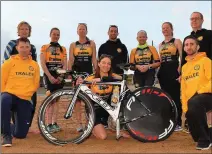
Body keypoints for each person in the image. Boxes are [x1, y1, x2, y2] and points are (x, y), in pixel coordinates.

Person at [76, 54, 130, 139]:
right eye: (104, 63)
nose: (106, 65)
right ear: (99, 64)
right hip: (94, 110)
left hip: (106, 109)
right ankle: (90, 125)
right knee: (103, 136)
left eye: (109, 63)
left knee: (118, 96)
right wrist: (79, 82)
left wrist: (102, 79)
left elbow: (121, 78)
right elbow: (80, 92)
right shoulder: (91, 78)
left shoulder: (112, 76)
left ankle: (115, 126)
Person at [1, 38, 40, 147]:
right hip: (10, 96)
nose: (24, 49)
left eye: (27, 47)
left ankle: (4, 125)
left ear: (30, 48)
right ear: (17, 48)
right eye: (21, 47)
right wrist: (6, 93)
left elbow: (36, 84)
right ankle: (6, 135)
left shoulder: (35, 65)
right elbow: (2, 81)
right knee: (4, 99)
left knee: (21, 134)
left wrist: (26, 93)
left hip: (25, 99)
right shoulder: (9, 62)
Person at [3, 21, 38, 133]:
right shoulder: (11, 44)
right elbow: (5, 61)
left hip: (28, 80)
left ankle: (26, 127)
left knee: (32, 104)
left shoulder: (32, 47)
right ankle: (9, 125)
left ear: (29, 32)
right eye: (22, 29)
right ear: (18, 31)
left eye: (26, 29)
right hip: (14, 83)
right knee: (10, 102)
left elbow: (34, 63)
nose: (24, 31)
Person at [181, 11, 212, 133]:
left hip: (206, 71)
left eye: (196, 18)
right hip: (192, 73)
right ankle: (195, 123)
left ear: (202, 20)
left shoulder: (209, 34)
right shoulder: (187, 38)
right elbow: (184, 59)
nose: (193, 21)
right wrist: (183, 74)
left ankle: (209, 129)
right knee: (191, 98)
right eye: (191, 19)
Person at [181, 35, 212, 150]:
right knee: (190, 110)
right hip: (193, 101)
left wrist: (199, 92)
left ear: (197, 47)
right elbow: (183, 90)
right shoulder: (184, 67)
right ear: (184, 48)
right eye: (186, 45)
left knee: (195, 102)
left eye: (192, 44)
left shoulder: (206, 61)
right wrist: (185, 109)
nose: (189, 47)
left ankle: (205, 140)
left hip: (208, 95)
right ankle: (208, 135)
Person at [68, 23, 97, 131]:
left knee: (88, 99)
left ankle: (89, 123)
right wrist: (70, 74)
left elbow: (94, 59)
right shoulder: (73, 45)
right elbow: (70, 60)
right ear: (77, 31)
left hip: (88, 73)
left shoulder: (92, 44)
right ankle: (79, 124)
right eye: (80, 29)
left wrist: (96, 73)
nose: (82, 30)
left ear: (86, 31)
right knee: (77, 100)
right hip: (77, 73)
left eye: (83, 29)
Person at [40, 27, 67, 133]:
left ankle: (54, 123)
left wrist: (61, 77)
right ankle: (48, 124)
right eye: (54, 34)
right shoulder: (44, 47)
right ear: (50, 34)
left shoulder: (63, 48)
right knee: (50, 100)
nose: (56, 36)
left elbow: (65, 63)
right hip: (48, 76)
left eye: (58, 34)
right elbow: (42, 63)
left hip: (59, 77)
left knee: (57, 101)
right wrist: (50, 76)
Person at [157, 22, 183, 131]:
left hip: (174, 68)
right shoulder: (160, 44)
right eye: (163, 28)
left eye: (167, 28)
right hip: (163, 70)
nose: (165, 30)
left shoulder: (177, 41)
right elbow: (160, 60)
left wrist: (180, 69)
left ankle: (178, 122)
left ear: (172, 29)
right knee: (165, 96)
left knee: (175, 95)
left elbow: (182, 56)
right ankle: (168, 121)